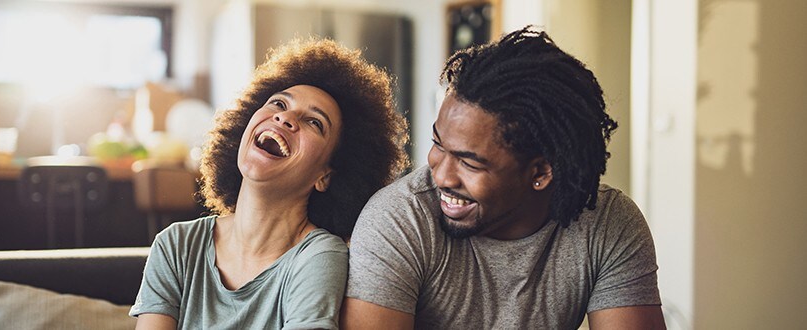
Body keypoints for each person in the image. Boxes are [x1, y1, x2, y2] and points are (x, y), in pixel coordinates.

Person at [341, 26, 665, 329]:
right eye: (438, 144)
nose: (440, 175)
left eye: (469, 163)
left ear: (540, 172)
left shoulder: (608, 224)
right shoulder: (397, 220)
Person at [130, 39, 408, 329]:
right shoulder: (175, 245)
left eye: (315, 122)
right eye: (278, 103)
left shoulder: (319, 257)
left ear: (325, 176)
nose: (285, 117)